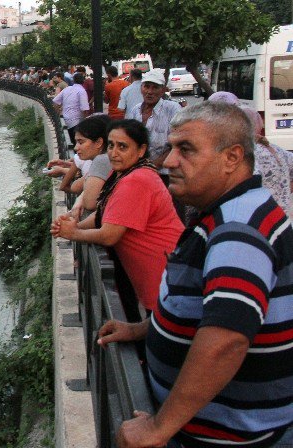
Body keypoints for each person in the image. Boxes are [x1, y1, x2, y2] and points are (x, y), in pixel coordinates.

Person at [98, 102, 293, 448]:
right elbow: (201, 307)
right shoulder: (229, 213)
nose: (170, 161)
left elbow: (226, 340)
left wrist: (159, 427)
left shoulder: (237, 229)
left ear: (232, 158)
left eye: (185, 150)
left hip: (230, 436)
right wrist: (145, 328)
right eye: (171, 148)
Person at [51, 119, 183, 317]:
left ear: (141, 150)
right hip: (163, 276)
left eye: (123, 146)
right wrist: (76, 224)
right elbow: (106, 213)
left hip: (165, 276)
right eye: (111, 145)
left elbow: (109, 235)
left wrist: (74, 233)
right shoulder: (131, 173)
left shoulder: (137, 180)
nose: (114, 152)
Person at [126, 69, 181, 172]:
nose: (150, 92)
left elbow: (177, 143)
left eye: (155, 87)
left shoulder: (172, 109)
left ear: (163, 90)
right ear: (141, 88)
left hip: (165, 172)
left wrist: (153, 166)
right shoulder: (135, 111)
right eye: (146, 87)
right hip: (139, 170)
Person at [52, 72, 90, 145]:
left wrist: (59, 113)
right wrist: (85, 123)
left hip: (65, 120)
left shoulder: (67, 89)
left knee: (68, 144)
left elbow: (55, 102)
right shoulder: (82, 91)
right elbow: (84, 109)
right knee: (76, 145)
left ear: (74, 81)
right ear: (83, 81)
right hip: (76, 123)